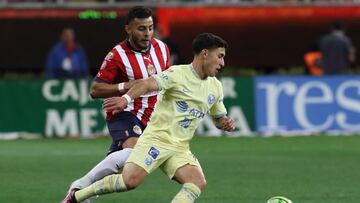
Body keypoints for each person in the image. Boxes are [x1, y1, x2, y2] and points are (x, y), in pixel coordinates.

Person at [64, 32, 236, 203]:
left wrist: (225, 123)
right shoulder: (177, 74)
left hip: (179, 147)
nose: (222, 63)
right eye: (219, 56)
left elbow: (218, 119)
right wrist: (126, 99)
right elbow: (146, 84)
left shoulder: (216, 87)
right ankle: (78, 196)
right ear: (205, 53)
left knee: (196, 182)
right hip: (156, 140)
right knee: (129, 181)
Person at [61, 6, 170, 202]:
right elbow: (95, 90)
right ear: (128, 29)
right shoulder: (117, 55)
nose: (147, 34)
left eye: (150, 28)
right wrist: (125, 86)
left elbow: (167, 82)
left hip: (151, 118)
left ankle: (81, 195)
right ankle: (78, 187)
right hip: (124, 111)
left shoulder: (162, 49)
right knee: (135, 153)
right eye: (141, 29)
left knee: (124, 170)